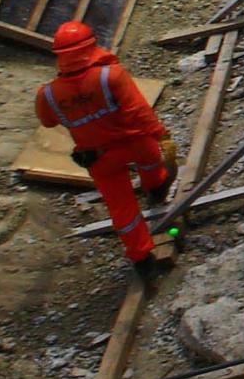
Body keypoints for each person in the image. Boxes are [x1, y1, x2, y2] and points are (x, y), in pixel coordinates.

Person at [35, 22, 179, 274]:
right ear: (91, 44)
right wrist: (162, 136)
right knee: (151, 160)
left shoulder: (48, 94)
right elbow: (139, 111)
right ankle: (156, 188)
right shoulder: (110, 75)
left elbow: (48, 121)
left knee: (121, 207)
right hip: (134, 143)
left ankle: (141, 256)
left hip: (99, 157)